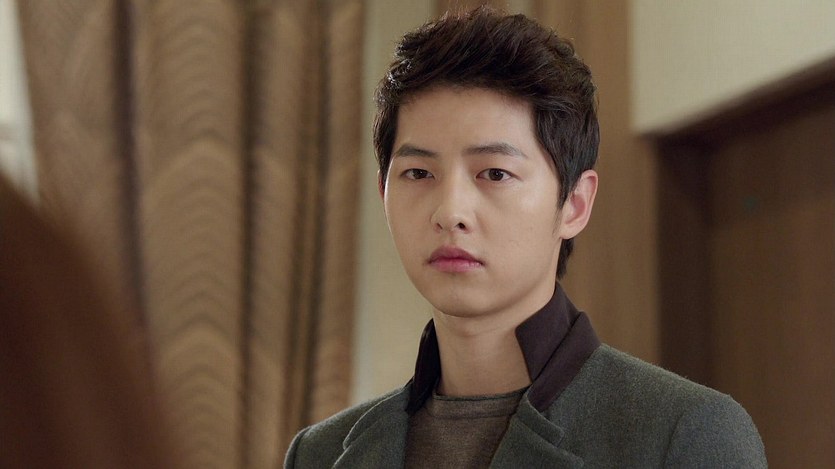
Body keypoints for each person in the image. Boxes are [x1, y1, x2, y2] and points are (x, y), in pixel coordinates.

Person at [285, 6, 766, 468]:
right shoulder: (320, 454)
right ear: (383, 192)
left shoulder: (682, 432)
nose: (450, 212)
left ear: (575, 204)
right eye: (418, 173)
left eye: (494, 173)